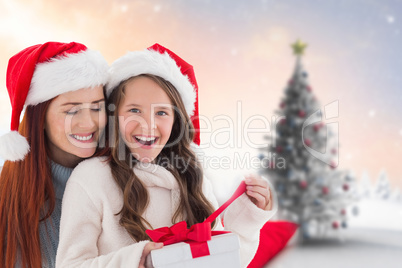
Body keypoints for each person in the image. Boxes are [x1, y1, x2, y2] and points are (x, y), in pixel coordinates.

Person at [56, 44, 278, 268]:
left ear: (176, 122)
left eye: (161, 112)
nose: (148, 124)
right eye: (134, 110)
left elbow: (222, 261)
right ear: (114, 117)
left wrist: (247, 219)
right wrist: (136, 260)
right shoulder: (91, 178)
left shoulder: (191, 174)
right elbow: (70, 264)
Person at [0, 41, 109, 268]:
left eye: (97, 108)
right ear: (39, 119)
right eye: (72, 110)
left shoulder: (126, 181)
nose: (89, 123)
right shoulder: (9, 201)